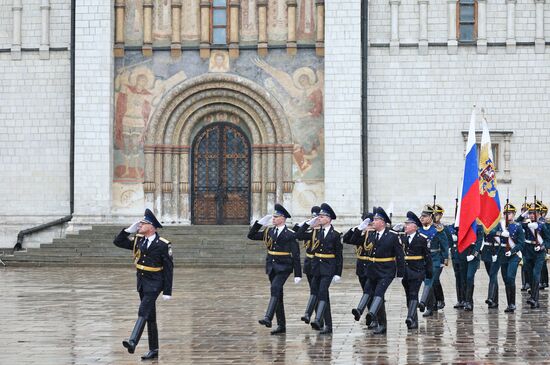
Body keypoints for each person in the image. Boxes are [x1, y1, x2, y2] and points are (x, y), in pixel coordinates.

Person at [113, 208, 174, 360]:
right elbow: (118, 242)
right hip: (142, 282)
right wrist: (128, 230)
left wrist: (167, 291)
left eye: (143, 223)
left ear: (152, 226)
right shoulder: (139, 240)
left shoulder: (163, 244)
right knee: (150, 316)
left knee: (143, 310)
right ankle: (154, 350)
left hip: (155, 283)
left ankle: (132, 341)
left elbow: (168, 269)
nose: (140, 225)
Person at [247, 204, 302, 334]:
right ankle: (281, 326)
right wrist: (259, 223)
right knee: (278, 295)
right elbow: (251, 235)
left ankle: (268, 317)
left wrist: (297, 273)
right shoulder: (269, 232)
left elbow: (296, 254)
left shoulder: (290, 234)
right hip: (271, 266)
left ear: (283, 218)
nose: (273, 219)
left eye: (276, 217)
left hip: (284, 266)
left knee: (275, 288)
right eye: (273, 217)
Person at [351, 207, 405, 334]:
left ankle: (379, 321)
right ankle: (359, 310)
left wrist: (400, 274)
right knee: (368, 290)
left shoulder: (392, 236)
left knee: (378, 294)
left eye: (375, 220)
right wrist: (359, 229)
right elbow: (353, 240)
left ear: (382, 222)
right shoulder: (371, 234)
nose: (373, 222)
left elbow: (400, 256)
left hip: (386, 271)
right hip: (373, 270)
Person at [297, 203, 342, 334]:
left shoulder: (335, 234)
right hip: (316, 267)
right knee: (317, 292)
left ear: (329, 219)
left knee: (322, 291)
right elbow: (299, 235)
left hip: (328, 267)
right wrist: (308, 224)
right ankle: (320, 321)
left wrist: (338, 272)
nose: (319, 218)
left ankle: (319, 320)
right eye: (319, 216)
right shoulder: (316, 232)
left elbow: (339, 256)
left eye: (322, 217)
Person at [400, 211, 432, 330]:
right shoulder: (402, 238)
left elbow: (427, 257)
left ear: (414, 226)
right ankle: (414, 320)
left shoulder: (422, 239)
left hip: (417, 271)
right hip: (405, 273)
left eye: (408, 224)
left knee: (414, 294)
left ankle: (410, 318)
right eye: (405, 224)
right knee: (409, 296)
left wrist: (429, 273)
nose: (405, 226)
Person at [417, 205, 449, 317]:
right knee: (427, 283)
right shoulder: (419, 229)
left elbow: (445, 244)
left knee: (429, 281)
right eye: (421, 216)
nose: (422, 218)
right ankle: (433, 304)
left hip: (435, 259)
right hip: (423, 260)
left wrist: (445, 258)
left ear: (431, 217)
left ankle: (425, 304)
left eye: (424, 216)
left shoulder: (437, 229)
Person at [296, 206, 321, 324]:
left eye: (316, 218)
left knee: (318, 291)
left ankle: (318, 317)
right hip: (309, 264)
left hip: (319, 264)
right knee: (313, 291)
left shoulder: (321, 232)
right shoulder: (309, 232)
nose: (314, 220)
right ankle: (316, 317)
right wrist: (305, 223)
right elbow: (297, 234)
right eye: (313, 218)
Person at [499, 203, 525, 313]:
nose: (507, 215)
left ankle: (513, 303)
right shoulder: (501, 225)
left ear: (514, 214)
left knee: (510, 277)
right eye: (505, 213)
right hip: (503, 255)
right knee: (506, 280)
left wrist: (512, 251)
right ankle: (509, 303)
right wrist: (500, 233)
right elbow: (491, 233)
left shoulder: (518, 226)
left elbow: (521, 244)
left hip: (513, 256)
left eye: (509, 213)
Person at [432, 204, 451, 310]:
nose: (435, 217)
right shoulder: (427, 227)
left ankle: (440, 300)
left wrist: (445, 257)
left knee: (435, 279)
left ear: (441, 216)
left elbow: (448, 243)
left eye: (437, 215)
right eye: (433, 214)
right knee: (430, 280)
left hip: (438, 257)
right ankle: (433, 301)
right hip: (429, 257)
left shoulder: (443, 228)